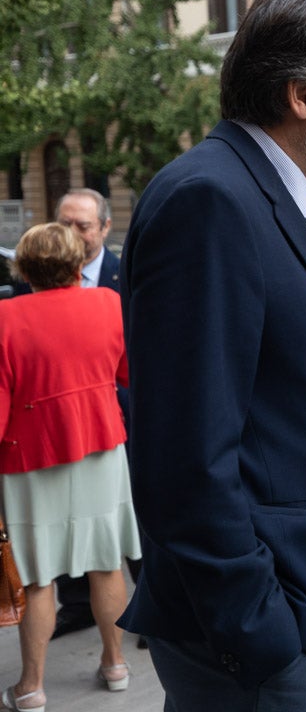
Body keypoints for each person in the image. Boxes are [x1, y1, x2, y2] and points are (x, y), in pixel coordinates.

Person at [118, 0, 306, 712]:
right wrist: (259, 631)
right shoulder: (211, 201)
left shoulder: (281, 201)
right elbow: (184, 458)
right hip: (261, 644)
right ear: (302, 96)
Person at [0, 223, 141, 712]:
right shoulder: (107, 302)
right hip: (102, 447)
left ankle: (32, 687)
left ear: (23, 268)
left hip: (31, 458)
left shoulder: (5, 317)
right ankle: (115, 664)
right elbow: (127, 373)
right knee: (107, 563)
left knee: (40, 577)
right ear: (79, 264)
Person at [48, 189, 127, 641]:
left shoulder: (124, 275)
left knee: (135, 520)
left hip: (120, 420)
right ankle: (76, 605)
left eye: (82, 225)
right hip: (58, 425)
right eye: (65, 222)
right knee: (64, 520)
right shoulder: (32, 278)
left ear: (104, 228)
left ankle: (154, 609)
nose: (72, 233)